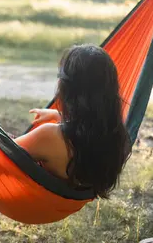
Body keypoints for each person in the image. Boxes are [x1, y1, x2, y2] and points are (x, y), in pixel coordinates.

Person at [14, 44, 131, 198]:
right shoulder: (117, 136)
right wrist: (59, 115)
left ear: (68, 89)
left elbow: (0, 154)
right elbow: (89, 125)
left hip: (35, 204)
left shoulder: (48, 136)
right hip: (71, 196)